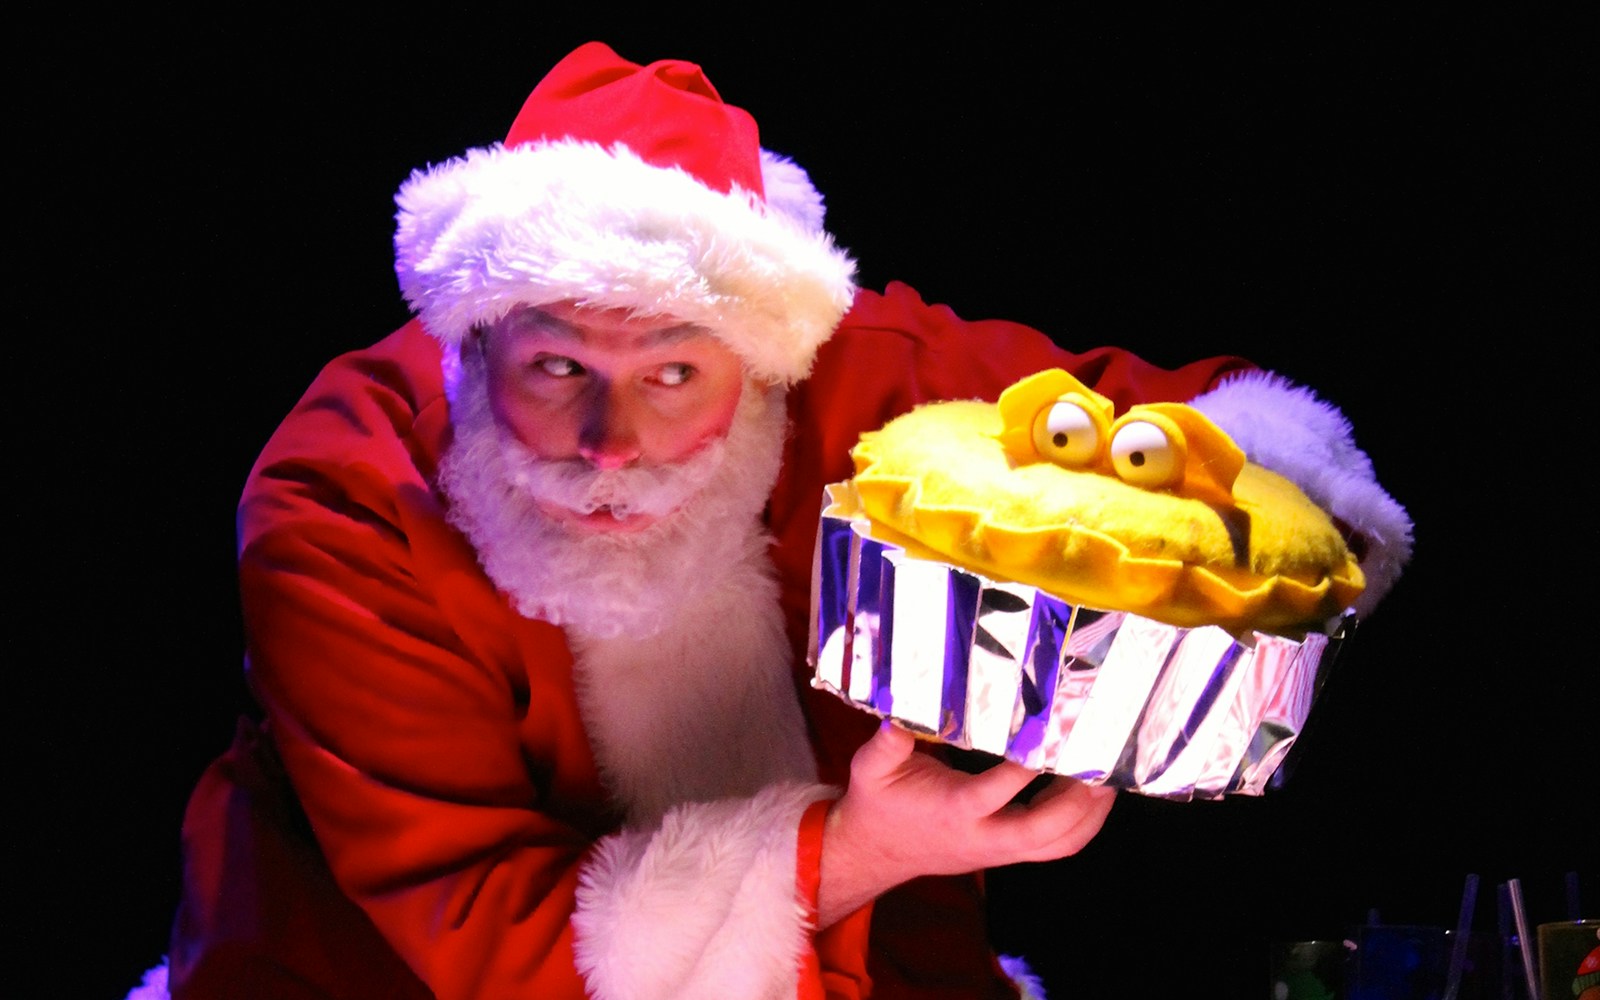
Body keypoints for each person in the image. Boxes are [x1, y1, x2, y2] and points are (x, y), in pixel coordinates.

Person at [128, 40, 1411, 1000]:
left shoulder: (867, 382)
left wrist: (1255, 584)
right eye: (555, 368)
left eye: (674, 374)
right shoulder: (345, 504)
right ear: (475, 343)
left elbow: (1215, 440)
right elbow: (482, 929)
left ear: (762, 359)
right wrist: (847, 850)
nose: (609, 443)